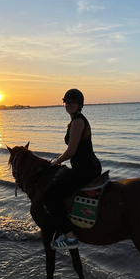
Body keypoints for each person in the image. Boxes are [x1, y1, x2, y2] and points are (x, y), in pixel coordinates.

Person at [43, 88, 102, 250]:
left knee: (49, 197)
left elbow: (71, 151)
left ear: (79, 105)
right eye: (67, 102)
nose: (69, 105)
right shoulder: (75, 120)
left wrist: (55, 162)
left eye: (73, 102)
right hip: (88, 165)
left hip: (85, 168)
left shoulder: (77, 122)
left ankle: (70, 238)